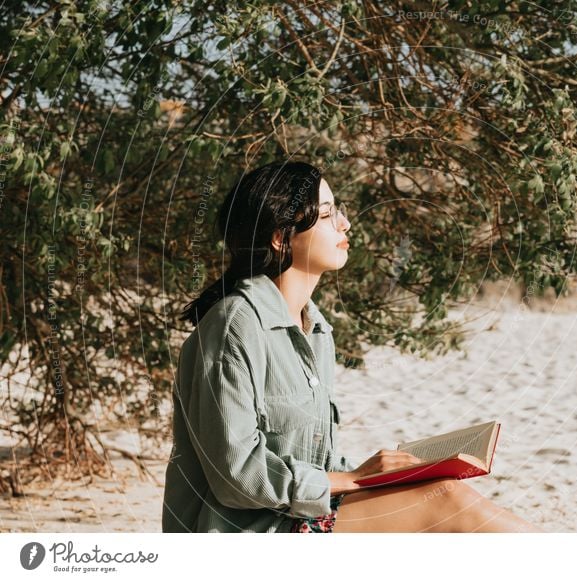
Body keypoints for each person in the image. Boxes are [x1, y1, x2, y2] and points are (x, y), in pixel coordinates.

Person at [161, 161, 539, 533]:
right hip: (249, 531)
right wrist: (353, 479)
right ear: (281, 237)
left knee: (440, 490)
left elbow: (316, 460)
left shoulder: (316, 329)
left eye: (338, 211)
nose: (344, 223)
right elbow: (237, 473)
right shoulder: (235, 325)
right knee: (446, 504)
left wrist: (391, 473)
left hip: (299, 514)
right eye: (327, 215)